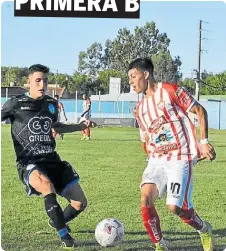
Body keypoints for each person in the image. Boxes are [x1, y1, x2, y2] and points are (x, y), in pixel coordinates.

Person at [1, 64, 96, 249]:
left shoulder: (51, 104)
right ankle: (65, 236)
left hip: (52, 160)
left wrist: (80, 126)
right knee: (47, 186)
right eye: (37, 80)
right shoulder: (15, 103)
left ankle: (56, 221)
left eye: (45, 80)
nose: (42, 84)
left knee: (79, 202)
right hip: (29, 162)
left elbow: (57, 127)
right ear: (28, 82)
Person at [128, 58, 216, 251]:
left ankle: (204, 229)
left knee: (175, 208)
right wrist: (151, 159)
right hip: (157, 160)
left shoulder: (170, 91)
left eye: (133, 76)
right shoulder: (139, 110)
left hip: (179, 159)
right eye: (129, 78)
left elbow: (200, 111)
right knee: (145, 198)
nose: (131, 82)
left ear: (146, 74)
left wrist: (203, 143)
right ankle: (159, 244)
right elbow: (147, 139)